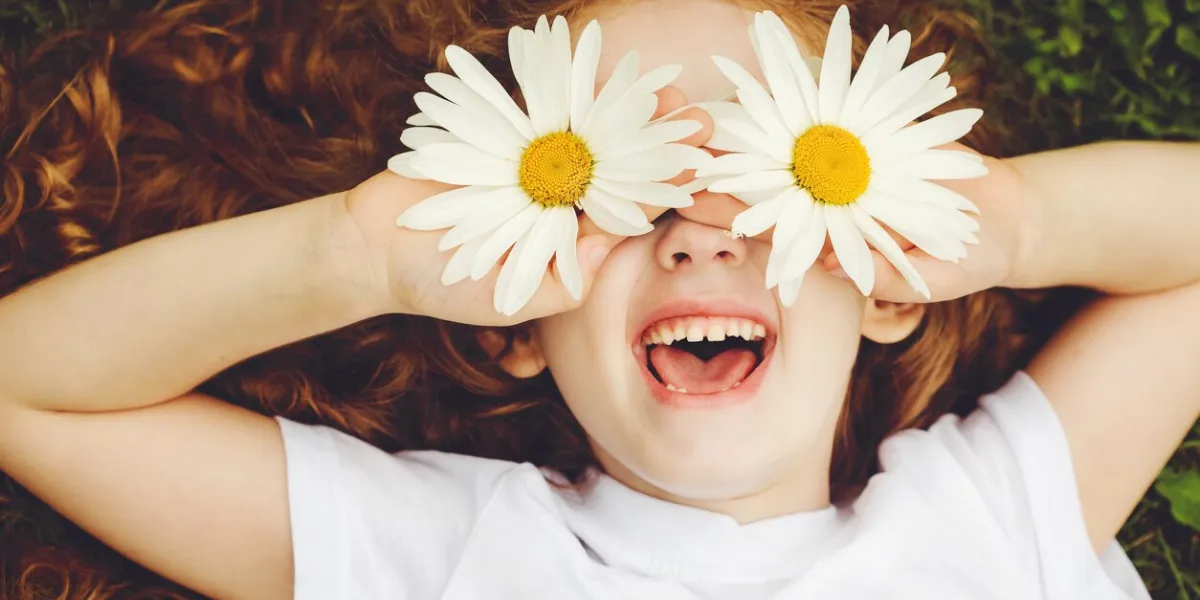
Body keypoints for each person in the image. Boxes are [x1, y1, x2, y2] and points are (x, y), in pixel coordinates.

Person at [0, 0, 1197, 598]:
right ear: (515, 319)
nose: (693, 230)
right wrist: (354, 253)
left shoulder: (997, 508)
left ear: (887, 281)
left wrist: (1014, 224)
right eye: (607, 194)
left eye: (763, 172)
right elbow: (27, 393)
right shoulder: (445, 550)